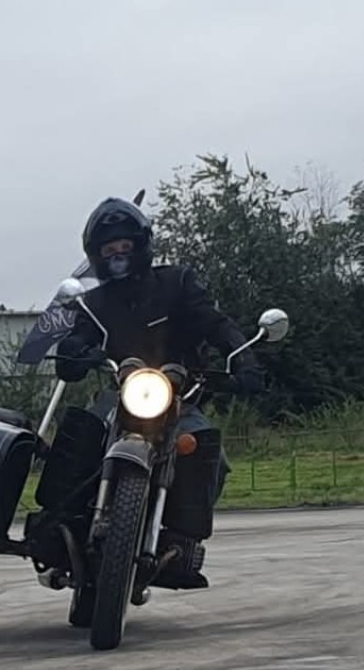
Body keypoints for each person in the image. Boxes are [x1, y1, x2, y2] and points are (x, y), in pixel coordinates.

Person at [54, 196, 265, 592]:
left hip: (179, 396)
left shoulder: (177, 283)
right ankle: (57, 527)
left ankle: (179, 544)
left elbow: (216, 324)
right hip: (120, 394)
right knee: (80, 433)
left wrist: (243, 359)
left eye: (125, 246)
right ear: (96, 255)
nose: (118, 255)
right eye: (109, 249)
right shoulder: (93, 303)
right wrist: (72, 352)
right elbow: (79, 338)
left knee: (209, 454)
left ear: (141, 245)